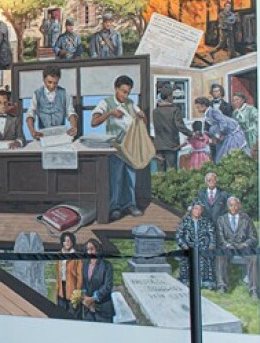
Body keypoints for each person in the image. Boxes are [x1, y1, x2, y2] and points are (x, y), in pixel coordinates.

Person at [91, 75, 145, 221]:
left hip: (130, 146)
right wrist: (110, 113)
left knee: (131, 178)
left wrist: (141, 116)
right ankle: (115, 207)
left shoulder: (130, 103)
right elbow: (94, 122)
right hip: (115, 147)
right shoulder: (106, 102)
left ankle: (130, 205)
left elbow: (140, 117)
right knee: (116, 179)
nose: (125, 95)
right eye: (123, 92)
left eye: (128, 92)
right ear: (116, 88)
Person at [214, 196, 259, 296]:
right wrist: (227, 244)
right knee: (220, 255)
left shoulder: (246, 219)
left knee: (253, 257)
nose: (233, 208)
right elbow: (219, 237)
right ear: (227, 207)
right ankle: (222, 286)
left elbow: (253, 237)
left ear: (239, 206)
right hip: (228, 247)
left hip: (243, 247)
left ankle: (253, 289)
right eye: (231, 205)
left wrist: (245, 244)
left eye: (235, 205)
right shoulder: (221, 219)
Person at [25, 66, 77, 139]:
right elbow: (30, 113)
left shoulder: (64, 93)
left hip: (61, 136)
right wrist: (32, 131)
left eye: (55, 83)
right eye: (49, 82)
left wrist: (74, 127)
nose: (52, 86)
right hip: (43, 136)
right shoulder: (37, 94)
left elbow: (70, 112)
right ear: (43, 80)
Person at [194, 96, 249, 163]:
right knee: (222, 155)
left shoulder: (213, 111)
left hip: (232, 133)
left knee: (230, 154)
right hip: (225, 134)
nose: (197, 109)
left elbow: (223, 123)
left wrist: (217, 136)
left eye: (198, 107)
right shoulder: (208, 113)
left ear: (203, 106)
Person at [176, 201, 217, 288]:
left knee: (207, 257)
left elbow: (212, 234)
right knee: (186, 256)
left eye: (200, 209)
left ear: (202, 211)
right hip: (189, 247)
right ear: (192, 210)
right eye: (195, 209)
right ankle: (186, 279)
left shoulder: (206, 222)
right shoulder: (185, 222)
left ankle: (206, 281)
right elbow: (179, 236)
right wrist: (184, 246)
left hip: (203, 247)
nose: (197, 211)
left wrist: (211, 244)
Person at [152, 85, 192, 172]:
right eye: (172, 96)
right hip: (172, 145)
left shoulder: (155, 111)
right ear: (169, 96)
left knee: (161, 172)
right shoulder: (175, 110)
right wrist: (191, 134)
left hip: (158, 145)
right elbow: (180, 126)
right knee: (171, 171)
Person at [81, 238, 115, 323]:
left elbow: (107, 286)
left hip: (103, 309)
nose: (89, 252)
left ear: (97, 249)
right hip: (88, 309)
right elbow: (83, 282)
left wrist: (93, 298)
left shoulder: (106, 265)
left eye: (92, 249)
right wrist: (85, 296)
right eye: (87, 249)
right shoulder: (84, 264)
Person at [56, 231, 82, 314]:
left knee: (72, 313)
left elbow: (80, 275)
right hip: (61, 287)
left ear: (72, 242)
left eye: (69, 240)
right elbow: (58, 273)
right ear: (62, 242)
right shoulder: (59, 254)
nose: (67, 243)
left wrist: (77, 292)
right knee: (60, 311)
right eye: (65, 240)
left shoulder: (77, 256)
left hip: (72, 288)